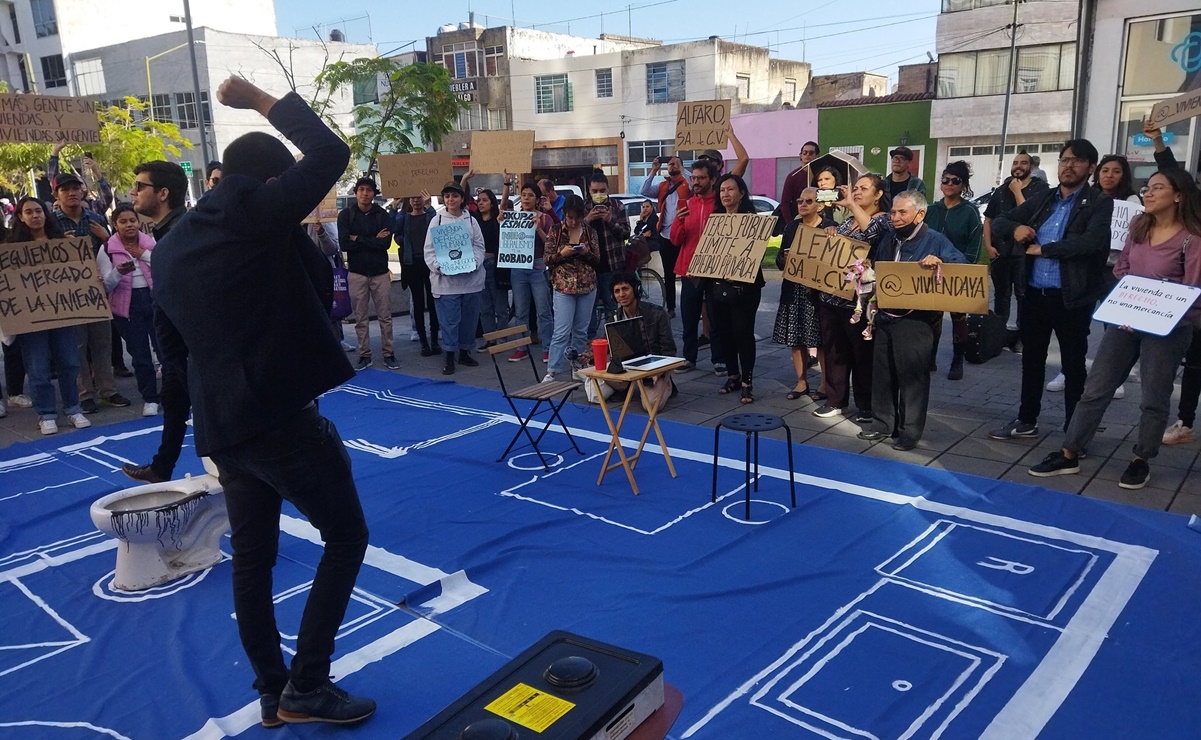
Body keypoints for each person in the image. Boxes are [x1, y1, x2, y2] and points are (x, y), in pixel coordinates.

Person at [153, 75, 374, 727]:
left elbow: (168, 345)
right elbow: (328, 154)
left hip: (222, 427)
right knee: (346, 535)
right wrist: (257, 99)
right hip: (277, 417)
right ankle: (307, 683)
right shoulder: (252, 208)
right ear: (268, 183)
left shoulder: (171, 248)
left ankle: (271, 693)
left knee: (253, 560)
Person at [1029, 168, 1201, 489]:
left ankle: (1141, 459)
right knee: (1096, 386)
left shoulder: (1192, 239)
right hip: (1126, 321)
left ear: (1179, 195)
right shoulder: (1139, 225)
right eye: (1147, 187)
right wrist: (1127, 300)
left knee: (1154, 395)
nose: (1147, 193)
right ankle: (1070, 451)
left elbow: (1194, 293)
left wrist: (1159, 307)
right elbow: (1123, 266)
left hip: (1168, 329)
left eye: (1157, 188)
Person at [989, 139, 1113, 440]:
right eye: (1064, 159)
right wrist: (1015, 229)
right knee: (1031, 361)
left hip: (1071, 297)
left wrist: (1047, 249)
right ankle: (1027, 419)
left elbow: (1092, 243)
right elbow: (1000, 221)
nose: (1069, 165)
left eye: (1077, 160)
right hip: (1034, 293)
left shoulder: (1098, 202)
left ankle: (1076, 429)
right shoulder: (1044, 198)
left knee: (1073, 365)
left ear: (1090, 167)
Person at [858, 191, 967, 451]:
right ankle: (883, 423)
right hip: (885, 316)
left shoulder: (935, 240)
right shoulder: (888, 239)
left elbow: (962, 266)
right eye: (893, 212)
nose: (895, 217)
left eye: (902, 212)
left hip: (916, 321)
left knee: (912, 377)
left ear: (920, 214)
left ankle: (909, 432)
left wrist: (940, 262)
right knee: (882, 373)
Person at [121, 160, 191, 485]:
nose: (133, 193)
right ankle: (162, 466)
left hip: (191, 351)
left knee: (209, 417)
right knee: (174, 402)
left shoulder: (182, 233)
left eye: (140, 186)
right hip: (177, 352)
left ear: (162, 193)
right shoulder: (167, 232)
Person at [6, 197, 90, 436]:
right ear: (20, 217)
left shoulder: (63, 243)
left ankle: (74, 409)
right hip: (31, 320)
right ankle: (46, 414)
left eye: (39, 211)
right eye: (29, 212)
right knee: (38, 369)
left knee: (70, 363)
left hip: (63, 316)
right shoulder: (11, 249)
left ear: (46, 214)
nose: (35, 216)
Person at [815, 174, 892, 421]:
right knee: (835, 350)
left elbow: (871, 232)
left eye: (863, 188)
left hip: (860, 301)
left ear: (879, 194)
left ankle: (866, 405)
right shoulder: (848, 223)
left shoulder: (885, 221)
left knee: (862, 354)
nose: (857, 192)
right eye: (855, 188)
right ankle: (835, 399)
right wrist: (830, 231)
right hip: (833, 297)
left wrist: (851, 204)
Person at [53, 171, 129, 415]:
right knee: (77, 346)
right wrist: (58, 244)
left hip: (97, 290)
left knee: (102, 344)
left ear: (82, 191)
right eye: (65, 189)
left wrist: (106, 238)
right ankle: (84, 394)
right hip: (69, 293)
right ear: (57, 195)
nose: (72, 193)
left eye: (75, 188)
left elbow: (111, 250)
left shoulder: (95, 218)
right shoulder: (52, 223)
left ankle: (108, 390)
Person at [983, 150, 1050, 350]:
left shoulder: (1041, 189)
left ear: (1031, 167)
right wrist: (988, 246)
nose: (1018, 166)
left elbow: (1031, 216)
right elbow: (989, 219)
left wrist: (1017, 192)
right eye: (1015, 162)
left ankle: (1021, 338)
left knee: (1023, 296)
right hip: (1001, 251)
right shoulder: (1001, 189)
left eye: (1023, 163)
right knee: (1001, 296)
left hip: (1025, 253)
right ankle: (1000, 335)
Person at [708, 174, 765, 404]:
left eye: (730, 189)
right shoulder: (716, 220)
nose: (725, 194)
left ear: (741, 193)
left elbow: (756, 253)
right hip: (718, 285)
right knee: (723, 332)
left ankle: (747, 382)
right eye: (722, 190)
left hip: (746, 288)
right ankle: (733, 375)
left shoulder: (752, 220)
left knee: (742, 332)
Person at [924, 161, 984, 381]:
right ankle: (930, 357)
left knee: (959, 317)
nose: (949, 184)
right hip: (930, 271)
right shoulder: (930, 210)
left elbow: (975, 245)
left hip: (957, 272)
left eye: (955, 180)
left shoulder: (969, 212)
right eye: (945, 180)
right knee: (932, 317)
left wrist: (966, 265)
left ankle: (958, 359)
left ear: (963, 185)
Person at [99, 203, 160, 416]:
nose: (129, 225)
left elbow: (163, 265)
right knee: (140, 355)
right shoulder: (107, 248)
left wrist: (143, 254)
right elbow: (105, 285)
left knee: (165, 350)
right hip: (127, 306)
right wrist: (117, 272)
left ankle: (175, 394)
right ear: (114, 225)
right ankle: (150, 398)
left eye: (132, 220)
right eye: (123, 222)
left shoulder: (149, 242)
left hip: (154, 300)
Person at [424, 181, 487, 375]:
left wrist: (474, 263)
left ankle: (465, 352)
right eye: (447, 196)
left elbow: (478, 245)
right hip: (446, 283)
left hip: (470, 281)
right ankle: (449, 355)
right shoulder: (437, 220)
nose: (451, 199)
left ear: (462, 199)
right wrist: (439, 267)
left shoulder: (471, 221)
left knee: (469, 319)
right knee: (449, 321)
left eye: (455, 196)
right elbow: (429, 250)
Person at [670, 159, 723, 374]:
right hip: (689, 270)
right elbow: (675, 240)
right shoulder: (687, 205)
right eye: (694, 178)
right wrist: (679, 220)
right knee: (689, 317)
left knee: (716, 317)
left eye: (701, 178)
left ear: (712, 179)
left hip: (714, 270)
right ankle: (688, 357)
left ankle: (719, 359)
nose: (696, 182)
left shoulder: (720, 206)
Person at [773, 187, 825, 401]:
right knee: (795, 337)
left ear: (820, 205)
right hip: (794, 290)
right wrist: (783, 260)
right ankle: (801, 382)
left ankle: (824, 384)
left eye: (808, 201)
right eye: (800, 200)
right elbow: (779, 258)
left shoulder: (829, 227)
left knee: (820, 339)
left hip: (818, 293)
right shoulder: (792, 226)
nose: (802, 204)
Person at [339, 177, 395, 371]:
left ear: (374, 194)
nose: (365, 193)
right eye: (361, 189)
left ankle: (389, 353)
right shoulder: (346, 215)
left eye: (369, 190)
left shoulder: (382, 215)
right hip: (357, 273)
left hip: (380, 273)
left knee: (385, 316)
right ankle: (364, 354)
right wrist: (371, 239)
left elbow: (385, 244)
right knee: (361, 317)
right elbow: (345, 244)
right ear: (356, 192)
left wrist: (358, 239)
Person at [544, 195, 600, 381]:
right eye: (570, 217)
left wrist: (585, 252)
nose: (574, 221)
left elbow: (597, 260)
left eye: (577, 217)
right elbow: (547, 258)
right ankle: (552, 370)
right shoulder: (556, 230)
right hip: (563, 286)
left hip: (587, 286)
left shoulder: (590, 232)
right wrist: (562, 253)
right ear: (564, 215)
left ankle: (577, 367)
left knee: (581, 331)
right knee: (561, 330)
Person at [605, 272, 677, 411]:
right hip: (625, 368)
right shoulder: (613, 318)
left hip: (652, 368)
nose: (621, 295)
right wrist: (589, 356)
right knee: (595, 394)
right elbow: (608, 347)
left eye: (625, 289)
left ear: (636, 289)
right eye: (617, 291)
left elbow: (669, 350)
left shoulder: (657, 313)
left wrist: (659, 372)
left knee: (650, 405)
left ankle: (667, 385)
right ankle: (628, 387)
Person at [509, 182, 556, 363]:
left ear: (537, 199)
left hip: (537, 266)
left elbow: (550, 245)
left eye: (530, 195)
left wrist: (538, 229)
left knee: (543, 310)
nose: (526, 198)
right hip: (518, 267)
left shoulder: (545, 219)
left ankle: (548, 347)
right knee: (520, 310)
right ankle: (522, 347)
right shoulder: (514, 217)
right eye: (523, 195)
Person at [583, 171, 632, 339]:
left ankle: (617, 341)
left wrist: (610, 220)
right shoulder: (583, 208)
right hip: (589, 268)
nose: (598, 194)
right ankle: (588, 344)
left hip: (613, 266)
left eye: (602, 190)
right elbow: (572, 234)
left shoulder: (618, 206)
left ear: (608, 189)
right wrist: (587, 219)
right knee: (588, 309)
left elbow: (626, 234)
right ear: (589, 190)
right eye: (594, 191)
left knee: (613, 306)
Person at [640, 154, 690, 315]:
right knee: (669, 273)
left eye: (676, 163)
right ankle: (671, 308)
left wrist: (683, 169)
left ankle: (689, 305)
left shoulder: (688, 183)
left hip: (684, 234)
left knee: (688, 274)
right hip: (665, 235)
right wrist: (653, 170)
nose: (672, 166)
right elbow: (644, 191)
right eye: (670, 164)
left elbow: (695, 183)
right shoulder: (662, 186)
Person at [395, 192, 440, 356]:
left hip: (429, 263)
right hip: (412, 263)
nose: (416, 200)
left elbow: (436, 222)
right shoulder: (405, 218)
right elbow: (395, 230)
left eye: (418, 197)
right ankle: (423, 341)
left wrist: (429, 205)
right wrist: (395, 207)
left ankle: (435, 339)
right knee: (418, 303)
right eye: (412, 197)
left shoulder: (430, 216)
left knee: (433, 302)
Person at [474, 187, 511, 339]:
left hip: (496, 266)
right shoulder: (474, 222)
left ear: (491, 203)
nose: (480, 203)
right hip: (479, 266)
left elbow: (503, 205)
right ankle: (489, 339)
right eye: (478, 201)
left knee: (501, 307)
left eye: (484, 200)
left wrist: (507, 183)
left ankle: (502, 338)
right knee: (485, 307)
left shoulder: (498, 220)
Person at [779, 141, 821, 223]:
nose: (807, 155)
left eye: (811, 153)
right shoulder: (793, 176)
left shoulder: (821, 175)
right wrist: (790, 224)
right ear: (800, 155)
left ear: (817, 156)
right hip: (798, 219)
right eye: (805, 152)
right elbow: (785, 204)